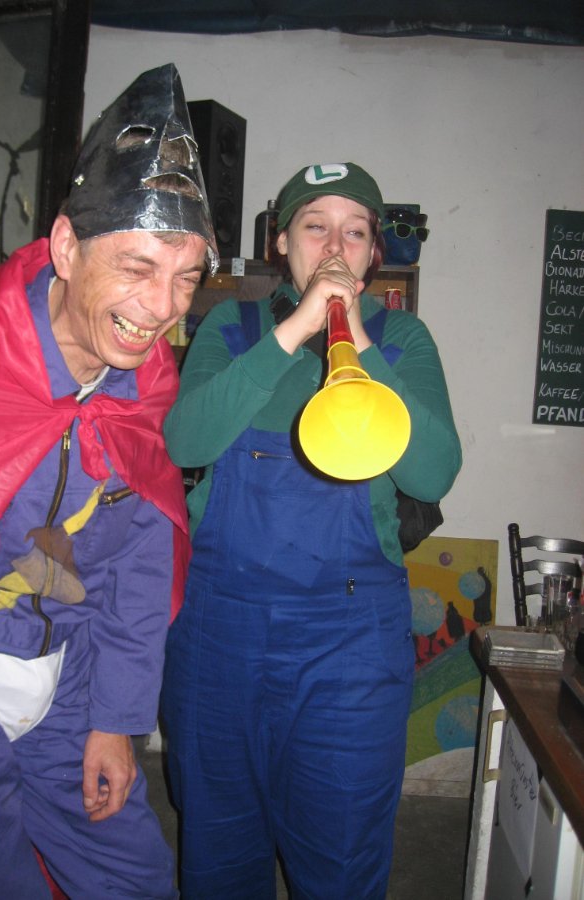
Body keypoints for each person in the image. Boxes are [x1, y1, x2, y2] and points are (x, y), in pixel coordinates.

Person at [0, 63, 217, 900]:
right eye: (137, 267)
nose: (162, 307)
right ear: (67, 247)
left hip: (64, 678)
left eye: (185, 277)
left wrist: (115, 720)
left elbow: (137, 569)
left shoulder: (145, 388)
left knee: (136, 882)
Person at [161, 162, 462, 899]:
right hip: (219, 634)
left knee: (341, 855)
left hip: (350, 646)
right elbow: (185, 442)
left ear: (373, 252)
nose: (333, 247)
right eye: (314, 226)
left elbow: (432, 474)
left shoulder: (404, 339)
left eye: (353, 232)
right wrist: (295, 329)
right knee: (218, 848)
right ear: (280, 241)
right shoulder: (231, 329)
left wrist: (356, 343)